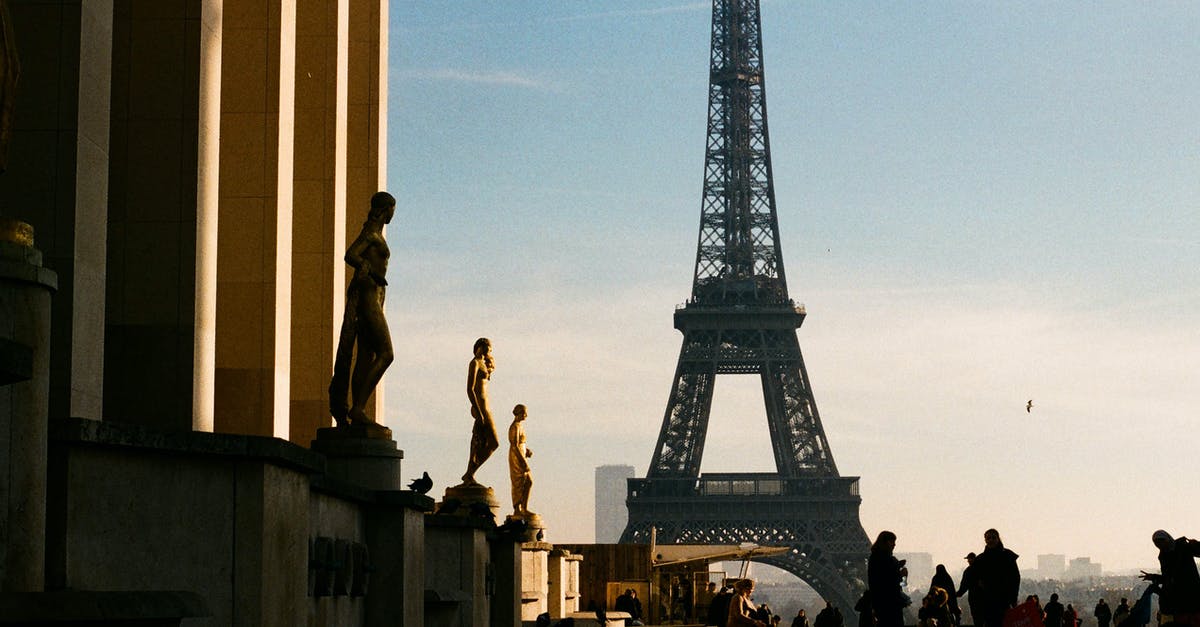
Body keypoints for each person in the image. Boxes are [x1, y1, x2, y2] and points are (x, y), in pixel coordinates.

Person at [329, 191, 396, 427]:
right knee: (387, 353)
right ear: (385, 209)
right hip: (368, 297)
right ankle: (358, 407)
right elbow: (351, 254)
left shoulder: (376, 234)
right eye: (391, 209)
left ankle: (359, 410)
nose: (392, 214)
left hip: (375, 297)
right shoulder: (371, 233)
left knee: (365, 357)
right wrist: (368, 268)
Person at [1140, 529, 1200, 624]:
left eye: (1160, 541)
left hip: (1190, 595)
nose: (1159, 545)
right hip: (1181, 599)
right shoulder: (1164, 555)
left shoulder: (1182, 546)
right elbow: (1168, 578)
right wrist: (1154, 577)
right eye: (1156, 543)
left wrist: (1196, 544)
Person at [461, 338, 498, 484]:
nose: (489, 350)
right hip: (481, 407)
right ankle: (469, 473)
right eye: (487, 347)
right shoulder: (475, 363)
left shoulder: (484, 363)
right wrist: (477, 409)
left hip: (487, 406)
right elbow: (470, 389)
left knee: (488, 443)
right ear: (480, 347)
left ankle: (470, 473)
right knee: (485, 441)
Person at [972, 528, 1020, 627]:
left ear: (998, 539)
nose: (991, 540)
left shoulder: (1007, 556)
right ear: (985, 540)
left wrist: (1013, 598)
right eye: (988, 538)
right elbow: (975, 581)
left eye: (993, 537)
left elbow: (1015, 578)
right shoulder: (980, 560)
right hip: (987, 601)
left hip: (1005, 600)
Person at [868, 530, 908, 627]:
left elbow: (877, 580)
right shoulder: (886, 559)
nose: (894, 544)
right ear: (886, 542)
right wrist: (901, 574)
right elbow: (887, 580)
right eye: (892, 541)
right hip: (890, 602)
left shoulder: (875, 558)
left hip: (880, 602)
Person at [507, 404, 535, 517]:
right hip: (517, 459)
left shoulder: (520, 426)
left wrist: (526, 451)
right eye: (524, 413)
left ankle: (524, 507)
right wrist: (523, 462)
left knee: (527, 482)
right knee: (519, 482)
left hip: (521, 455)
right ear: (519, 413)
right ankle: (518, 508)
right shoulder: (514, 427)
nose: (526, 415)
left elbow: (520, 444)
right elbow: (514, 445)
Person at [957, 552, 982, 627]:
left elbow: (964, 586)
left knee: (977, 618)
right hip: (985, 597)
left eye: (969, 559)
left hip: (974, 597)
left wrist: (958, 594)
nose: (968, 561)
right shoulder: (982, 568)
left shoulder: (968, 571)